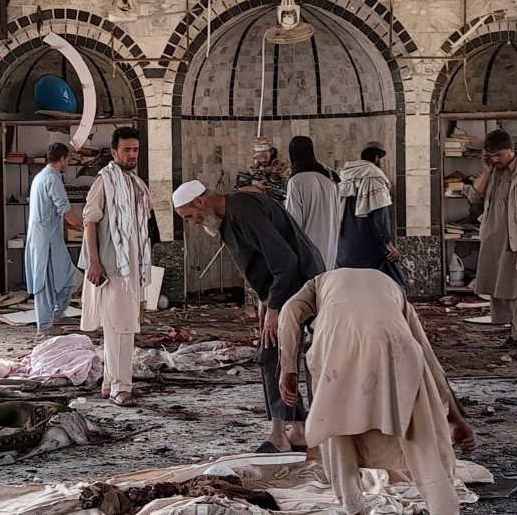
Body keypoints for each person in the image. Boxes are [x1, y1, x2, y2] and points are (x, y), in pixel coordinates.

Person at [278, 268, 477, 515]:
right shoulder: (391, 286)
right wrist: (456, 420)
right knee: (423, 437)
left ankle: (353, 507)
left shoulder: (316, 285)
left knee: (336, 431)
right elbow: (429, 358)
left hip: (336, 350)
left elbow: (288, 312)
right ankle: (444, 508)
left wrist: (288, 370)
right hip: (398, 347)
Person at [173, 180, 324, 453]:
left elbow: (285, 261)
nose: (191, 223)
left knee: (271, 354)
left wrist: (275, 308)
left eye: (189, 216)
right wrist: (266, 303)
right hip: (283, 289)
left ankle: (282, 435)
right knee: (273, 353)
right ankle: (296, 429)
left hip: (297, 287)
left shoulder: (243, 212)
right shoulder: (230, 212)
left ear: (200, 202)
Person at [79, 127, 153, 407]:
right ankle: (122, 388)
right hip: (110, 267)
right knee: (118, 328)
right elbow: (89, 220)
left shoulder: (134, 182)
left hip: (131, 267)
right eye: (127, 150)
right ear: (114, 152)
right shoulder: (105, 180)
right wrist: (95, 262)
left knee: (125, 326)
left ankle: (110, 382)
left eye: (135, 150)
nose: (132, 154)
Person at [464, 130, 517, 360]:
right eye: (491, 156)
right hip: (494, 239)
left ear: (512, 150)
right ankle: (512, 334)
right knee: (501, 288)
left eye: (499, 155)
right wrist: (485, 171)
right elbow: (473, 197)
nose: (496, 159)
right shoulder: (491, 171)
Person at [26, 142, 84, 336]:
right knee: (44, 282)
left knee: (68, 276)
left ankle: (58, 312)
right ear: (62, 159)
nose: (67, 162)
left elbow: (57, 213)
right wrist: (86, 228)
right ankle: (44, 324)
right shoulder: (52, 178)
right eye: (68, 159)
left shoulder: (40, 177)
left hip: (48, 236)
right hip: (46, 239)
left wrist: (74, 225)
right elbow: (65, 210)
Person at [337, 142, 405, 287]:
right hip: (370, 240)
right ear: (376, 158)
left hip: (346, 243)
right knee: (394, 283)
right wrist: (388, 243)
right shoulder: (374, 177)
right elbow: (380, 215)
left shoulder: (345, 176)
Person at [285, 136, 340, 269]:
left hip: (307, 247)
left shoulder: (296, 181)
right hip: (330, 243)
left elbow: (294, 221)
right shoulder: (330, 178)